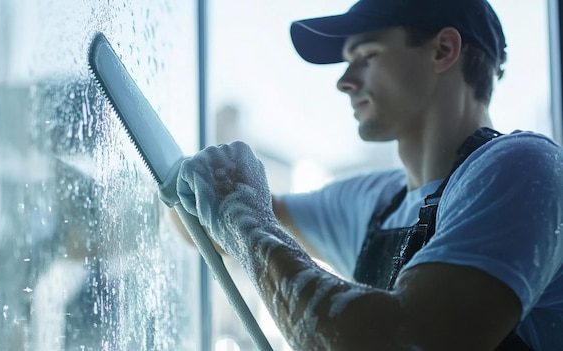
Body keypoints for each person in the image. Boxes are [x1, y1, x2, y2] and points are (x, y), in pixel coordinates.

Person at [175, 0, 563, 349]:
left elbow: (406, 341)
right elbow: (211, 221)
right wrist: (194, 189)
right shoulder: (375, 201)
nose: (344, 81)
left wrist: (242, 215)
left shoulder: (521, 167)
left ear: (443, 50)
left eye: (367, 55)